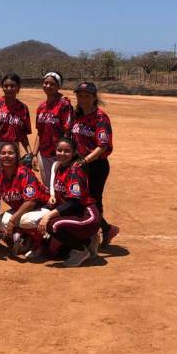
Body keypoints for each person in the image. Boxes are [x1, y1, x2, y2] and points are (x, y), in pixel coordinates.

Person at [38, 137, 101, 267]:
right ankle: (88, 241)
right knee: (53, 252)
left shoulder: (74, 170)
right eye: (59, 150)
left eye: (67, 151)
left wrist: (48, 215)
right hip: (74, 214)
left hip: (87, 216)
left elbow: (74, 203)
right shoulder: (59, 166)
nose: (62, 153)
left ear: (74, 152)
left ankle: (81, 250)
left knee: (52, 226)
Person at [70, 81, 119, 247]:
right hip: (79, 164)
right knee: (79, 199)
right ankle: (105, 229)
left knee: (94, 201)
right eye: (80, 96)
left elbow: (102, 146)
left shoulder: (100, 117)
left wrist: (85, 160)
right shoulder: (77, 115)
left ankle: (95, 233)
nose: (83, 99)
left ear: (94, 97)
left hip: (96, 165)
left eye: (86, 96)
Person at [0, 142, 48, 258]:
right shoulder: (0, 176)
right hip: (23, 210)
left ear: (17, 156)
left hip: (42, 207)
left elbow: (31, 202)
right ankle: (24, 238)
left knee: (25, 220)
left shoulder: (24, 172)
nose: (6, 156)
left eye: (10, 153)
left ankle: (40, 244)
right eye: (3, 153)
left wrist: (12, 221)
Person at [0, 72, 32, 174]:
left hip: (12, 146)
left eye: (12, 86)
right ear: (2, 87)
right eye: (6, 86)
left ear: (18, 88)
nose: (9, 88)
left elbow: (22, 133)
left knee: (10, 175)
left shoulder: (23, 108)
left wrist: (30, 152)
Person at [30, 71, 73, 187]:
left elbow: (67, 132)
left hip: (59, 154)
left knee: (60, 186)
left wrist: (63, 155)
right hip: (44, 154)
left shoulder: (64, 105)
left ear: (59, 86)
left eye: (52, 84)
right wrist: (34, 154)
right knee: (48, 186)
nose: (48, 86)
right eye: (46, 83)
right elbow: (40, 133)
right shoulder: (41, 107)